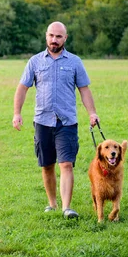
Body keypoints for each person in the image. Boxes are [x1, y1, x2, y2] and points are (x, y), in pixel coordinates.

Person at [12, 21, 99, 219]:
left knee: (66, 164)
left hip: (66, 122)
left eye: (58, 36)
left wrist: (92, 113)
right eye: (51, 35)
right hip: (43, 121)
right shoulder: (35, 61)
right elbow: (22, 88)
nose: (54, 40)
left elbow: (84, 89)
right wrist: (17, 113)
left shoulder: (75, 62)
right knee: (47, 165)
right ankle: (52, 203)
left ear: (65, 38)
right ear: (46, 36)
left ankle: (66, 208)